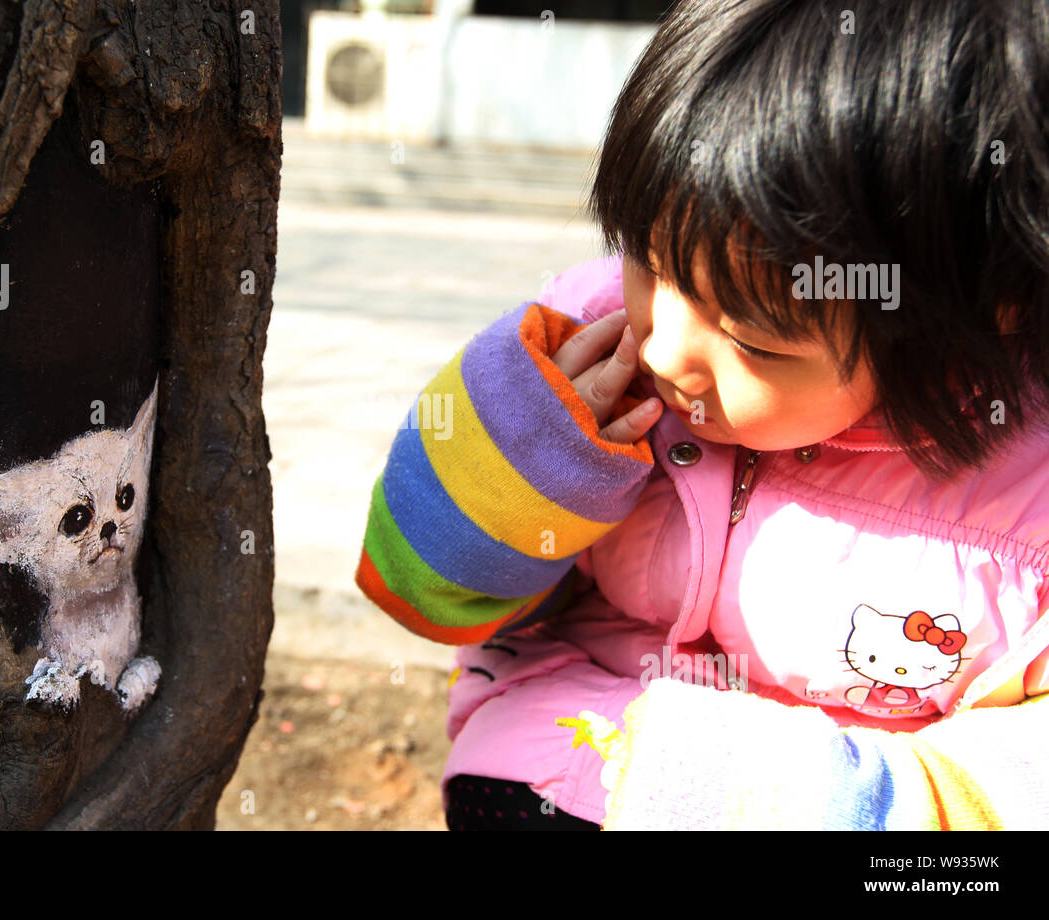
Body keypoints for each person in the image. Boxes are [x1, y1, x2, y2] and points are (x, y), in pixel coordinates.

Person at [354, 0, 1049, 829]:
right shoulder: (583, 345)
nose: (665, 351)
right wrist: (522, 458)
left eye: (753, 339)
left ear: (970, 320)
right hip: (562, 769)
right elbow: (413, 587)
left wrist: (844, 805)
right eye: (649, 263)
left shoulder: (1026, 482)